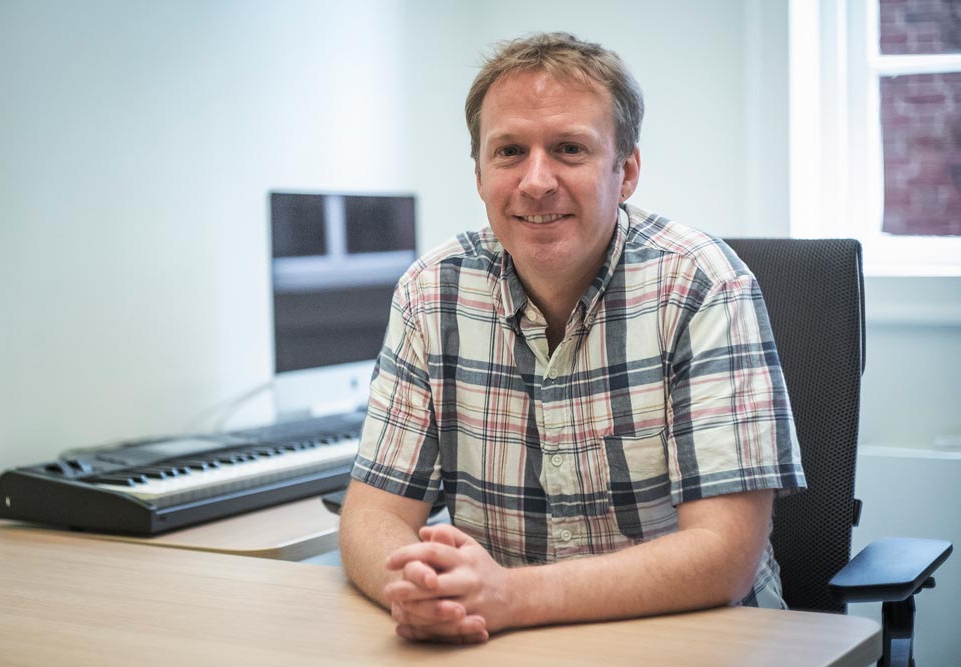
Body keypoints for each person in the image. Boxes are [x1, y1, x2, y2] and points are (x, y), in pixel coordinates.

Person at [338, 31, 805, 644]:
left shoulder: (701, 285)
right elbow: (372, 514)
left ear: (627, 170)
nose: (536, 181)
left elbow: (725, 554)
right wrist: (425, 588)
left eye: (568, 149)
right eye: (509, 151)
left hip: (697, 641)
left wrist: (508, 595)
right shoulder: (432, 292)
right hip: (503, 642)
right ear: (479, 173)